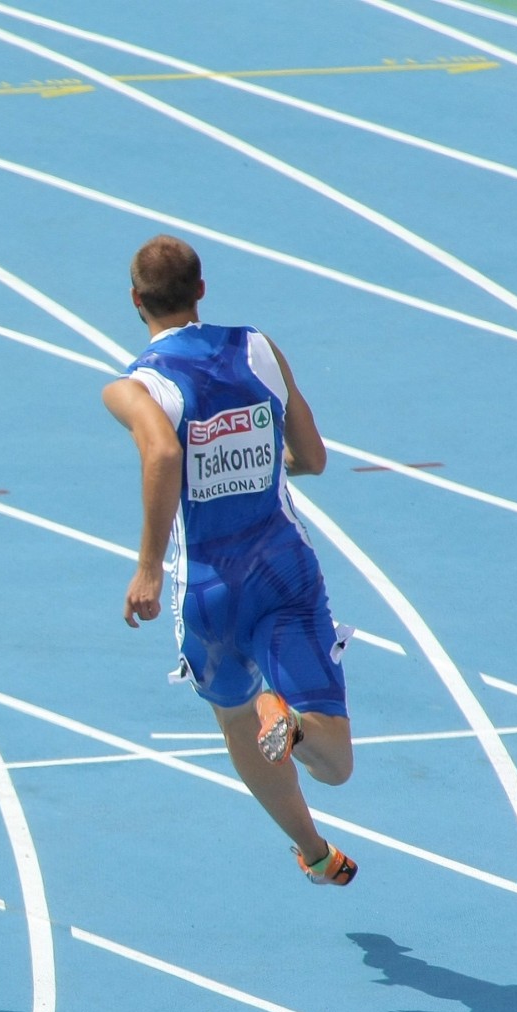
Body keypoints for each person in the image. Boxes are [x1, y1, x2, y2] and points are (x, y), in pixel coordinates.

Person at [103, 236, 358, 886]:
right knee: (334, 764)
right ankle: (297, 724)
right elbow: (314, 458)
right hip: (283, 569)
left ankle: (313, 847)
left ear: (136, 299)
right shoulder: (258, 349)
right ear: (201, 290)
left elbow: (162, 455)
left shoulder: (135, 388)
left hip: (212, 594)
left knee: (238, 721)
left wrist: (149, 568)